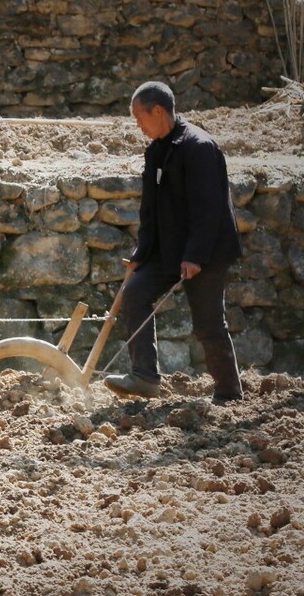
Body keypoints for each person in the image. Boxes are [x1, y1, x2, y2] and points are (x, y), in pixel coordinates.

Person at [104, 81, 244, 404]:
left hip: (205, 252)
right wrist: (142, 252)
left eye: (140, 118)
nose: (138, 126)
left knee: (208, 324)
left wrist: (195, 256)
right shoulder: (155, 151)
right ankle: (145, 377)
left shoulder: (199, 147)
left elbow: (209, 209)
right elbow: (149, 210)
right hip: (168, 250)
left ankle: (228, 392)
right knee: (135, 292)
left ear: (157, 111)